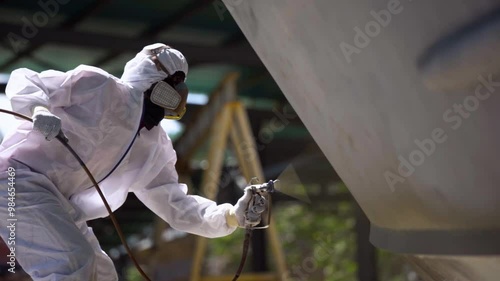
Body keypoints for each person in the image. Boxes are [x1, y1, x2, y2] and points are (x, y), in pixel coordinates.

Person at [0, 43, 255, 281]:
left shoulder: (155, 146)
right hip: (16, 181)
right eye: (174, 79)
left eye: (180, 82)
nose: (179, 90)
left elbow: (177, 204)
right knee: (72, 263)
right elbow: (26, 78)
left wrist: (231, 216)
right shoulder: (99, 85)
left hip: (60, 204)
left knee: (103, 275)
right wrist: (37, 109)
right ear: (149, 73)